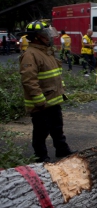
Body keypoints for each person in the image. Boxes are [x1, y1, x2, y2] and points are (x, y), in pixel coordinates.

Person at [19, 21, 76, 163]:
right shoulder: (30, 55)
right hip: (42, 103)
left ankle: (62, 149)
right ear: (37, 37)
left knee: (57, 127)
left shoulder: (46, 52)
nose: (49, 37)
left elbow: (54, 76)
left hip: (53, 99)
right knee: (41, 131)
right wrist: (39, 100)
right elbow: (29, 80)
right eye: (46, 35)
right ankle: (41, 157)